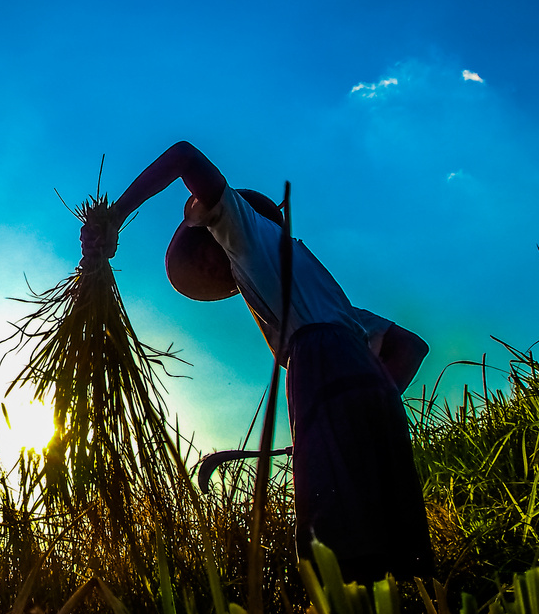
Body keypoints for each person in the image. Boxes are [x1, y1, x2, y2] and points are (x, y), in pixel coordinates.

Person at [81, 141, 435, 583]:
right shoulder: (311, 282)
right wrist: (364, 403)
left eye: (206, 249)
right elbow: (409, 347)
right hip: (362, 385)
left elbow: (185, 157)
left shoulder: (244, 231)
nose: (213, 266)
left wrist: (115, 215)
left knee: (334, 555)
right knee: (392, 547)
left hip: (321, 366)